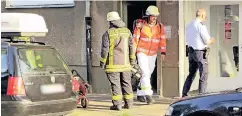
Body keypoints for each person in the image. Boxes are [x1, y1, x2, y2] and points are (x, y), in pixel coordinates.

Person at [100, 11, 136, 110]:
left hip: (112, 65)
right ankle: (129, 104)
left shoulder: (108, 33)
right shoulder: (127, 31)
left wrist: (102, 62)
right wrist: (132, 62)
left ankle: (117, 105)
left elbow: (104, 50)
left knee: (115, 85)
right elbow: (132, 47)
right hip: (126, 65)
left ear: (110, 22)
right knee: (127, 83)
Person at [132, 5, 167, 104]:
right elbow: (135, 39)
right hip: (141, 52)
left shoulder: (160, 26)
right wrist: (133, 53)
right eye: (152, 16)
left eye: (155, 16)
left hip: (153, 53)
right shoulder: (140, 25)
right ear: (148, 16)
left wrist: (163, 51)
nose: (154, 18)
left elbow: (163, 39)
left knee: (147, 74)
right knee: (145, 72)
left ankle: (139, 93)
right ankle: (148, 95)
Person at [182, 9, 215, 97]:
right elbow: (206, 41)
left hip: (191, 52)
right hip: (200, 53)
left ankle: (184, 93)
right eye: (205, 16)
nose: (205, 18)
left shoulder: (189, 25)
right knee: (203, 74)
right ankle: (202, 95)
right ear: (202, 16)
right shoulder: (201, 25)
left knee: (191, 74)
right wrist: (212, 40)